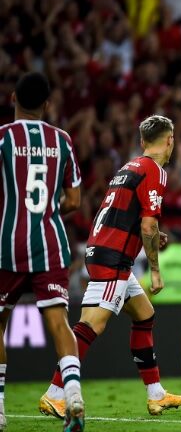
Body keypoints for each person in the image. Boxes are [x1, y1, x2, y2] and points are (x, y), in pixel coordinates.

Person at [39, 116, 181, 419]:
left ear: (143, 142)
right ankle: (56, 393)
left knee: (145, 315)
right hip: (113, 258)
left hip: (105, 249)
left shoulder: (128, 168)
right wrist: (155, 271)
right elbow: (147, 224)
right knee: (92, 325)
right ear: (170, 140)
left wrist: (152, 235)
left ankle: (156, 394)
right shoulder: (154, 171)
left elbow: (126, 216)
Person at [0, 72, 85, 432]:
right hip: (51, 242)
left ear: (13, 97)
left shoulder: (3, 137)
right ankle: (74, 393)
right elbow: (75, 200)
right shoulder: (62, 140)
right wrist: (49, 209)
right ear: (47, 104)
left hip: (8, 244)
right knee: (58, 321)